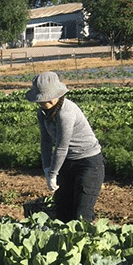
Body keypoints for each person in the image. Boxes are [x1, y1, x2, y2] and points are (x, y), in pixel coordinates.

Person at [25, 71, 104, 222]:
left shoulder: (65, 113)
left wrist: (53, 174)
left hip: (88, 162)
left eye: (46, 99)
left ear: (56, 95)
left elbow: (62, 147)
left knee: (82, 214)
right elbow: (46, 142)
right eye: (40, 99)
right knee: (62, 212)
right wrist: (47, 168)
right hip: (67, 162)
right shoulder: (42, 113)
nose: (42, 102)